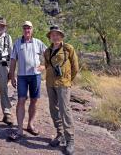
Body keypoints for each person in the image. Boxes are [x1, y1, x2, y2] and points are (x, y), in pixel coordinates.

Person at [8, 21, 47, 140]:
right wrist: (12, 75)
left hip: (35, 76)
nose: (27, 30)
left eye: (29, 28)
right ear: (22, 30)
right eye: (25, 28)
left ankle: (30, 125)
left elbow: (49, 55)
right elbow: (13, 60)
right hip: (22, 76)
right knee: (21, 100)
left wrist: (44, 66)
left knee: (34, 100)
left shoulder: (38, 42)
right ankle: (19, 129)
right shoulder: (17, 43)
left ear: (32, 29)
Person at [44, 25, 79, 155]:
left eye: (57, 34)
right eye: (53, 35)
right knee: (54, 109)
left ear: (61, 36)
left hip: (63, 84)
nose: (55, 36)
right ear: (50, 37)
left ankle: (70, 139)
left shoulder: (68, 49)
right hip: (50, 83)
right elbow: (47, 66)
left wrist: (68, 80)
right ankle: (60, 134)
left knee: (65, 110)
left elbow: (75, 67)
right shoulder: (47, 51)